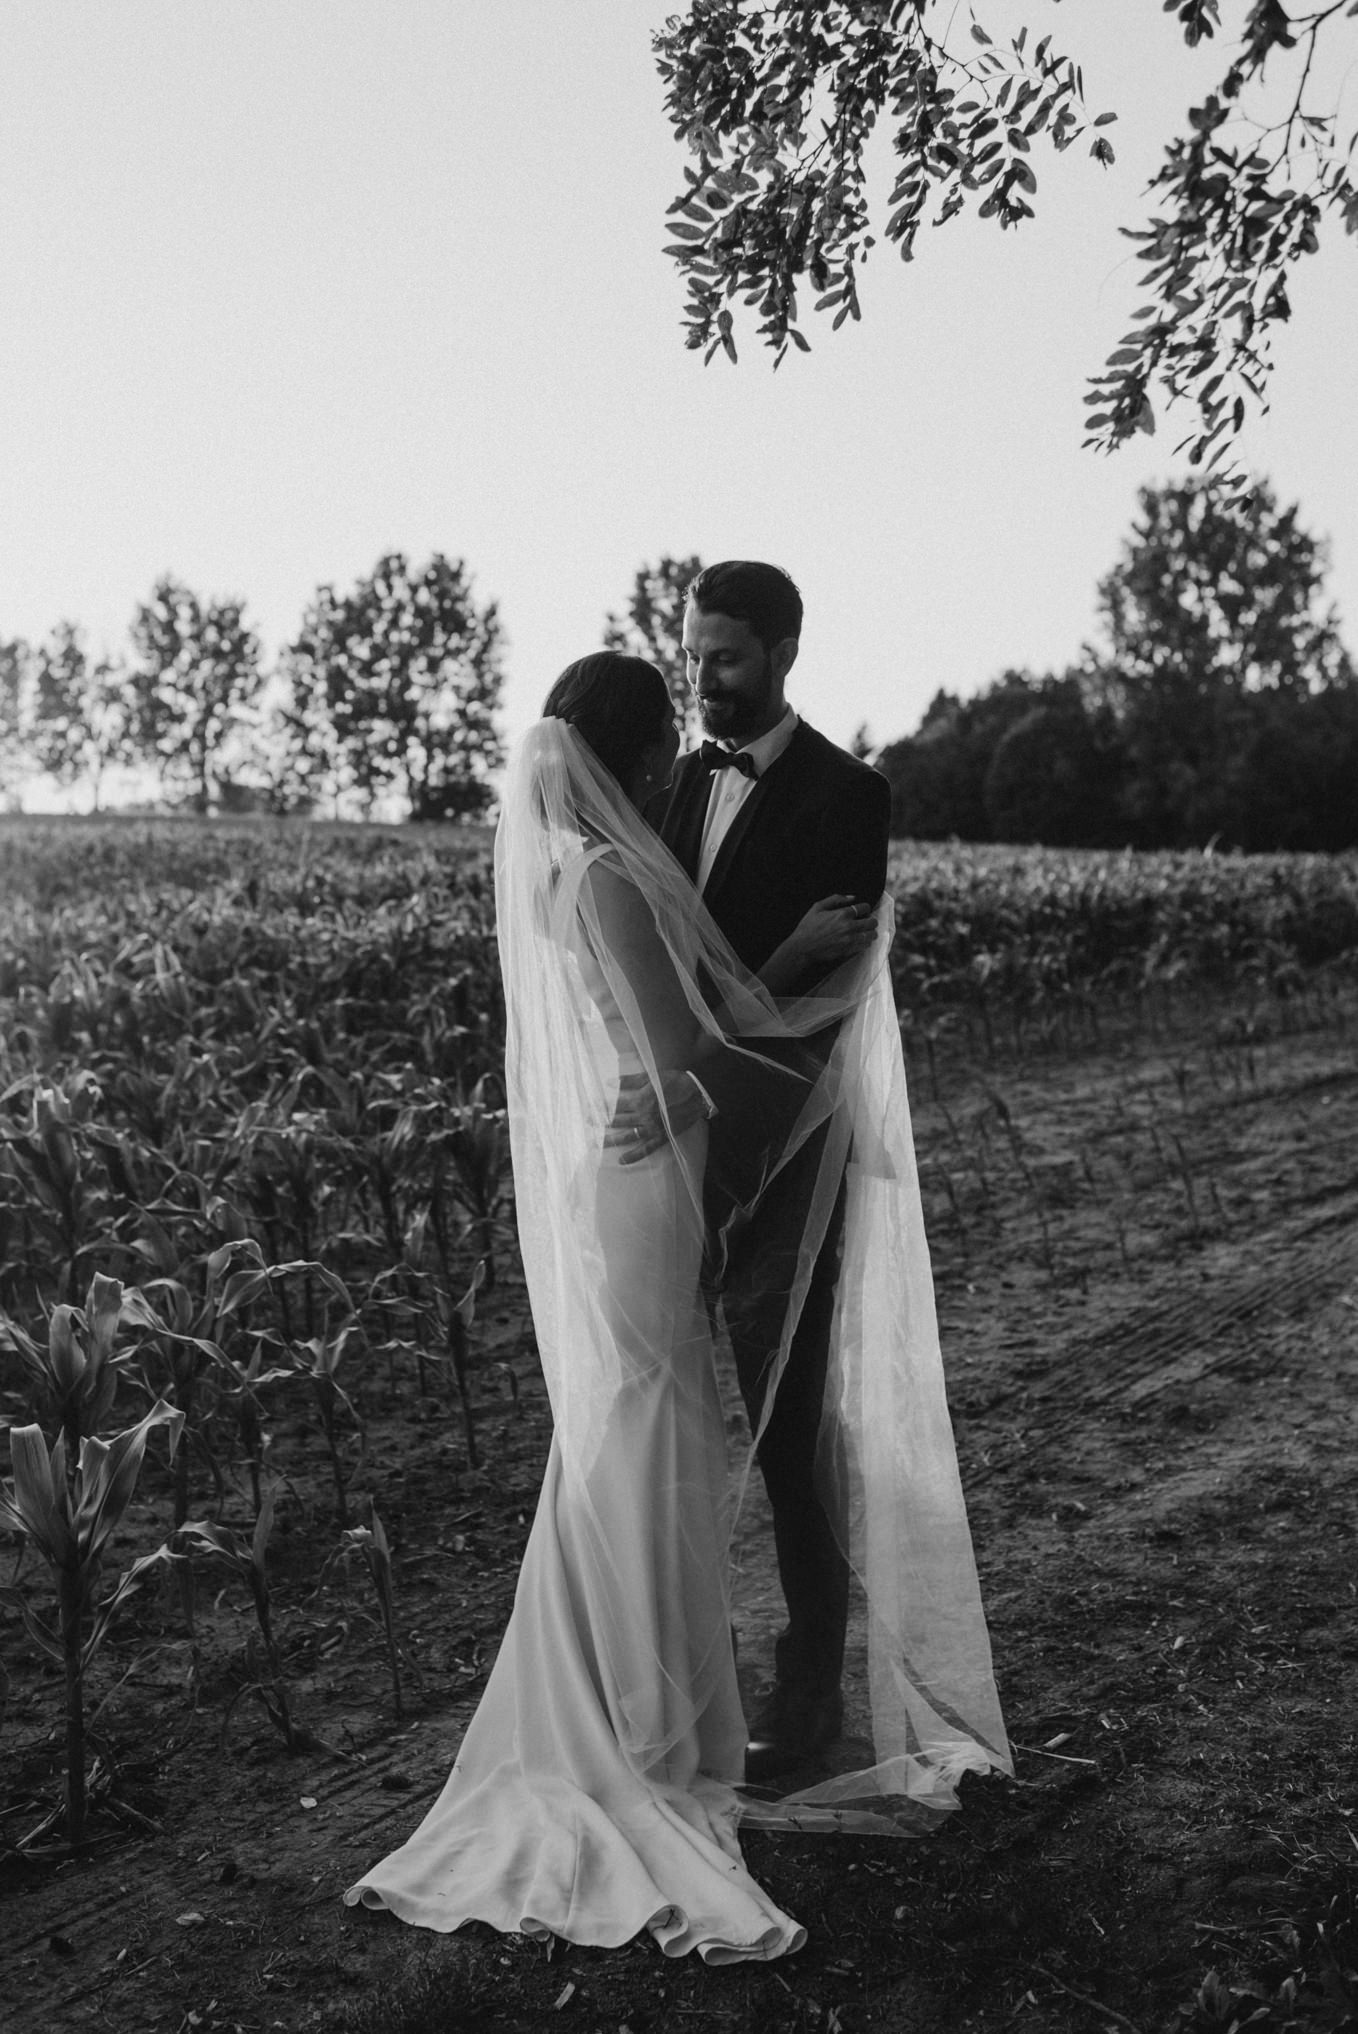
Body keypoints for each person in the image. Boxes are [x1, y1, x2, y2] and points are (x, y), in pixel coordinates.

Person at [345, 650, 1008, 1962]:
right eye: (658, 746)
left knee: (645, 1426)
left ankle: (652, 1716)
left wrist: (736, 1013)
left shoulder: (577, 871)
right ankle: (639, 1733)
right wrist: (808, 957)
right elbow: (688, 1044)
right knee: (650, 1424)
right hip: (648, 1183)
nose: (669, 765)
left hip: (647, 1170)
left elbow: (679, 1037)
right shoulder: (605, 876)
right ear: (632, 759)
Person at [644, 560, 888, 1782]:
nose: (702, 680)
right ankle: (686, 1687)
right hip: (676, 1149)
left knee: (789, 1430)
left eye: (724, 658)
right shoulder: (675, 783)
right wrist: (769, 958)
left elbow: (828, 1000)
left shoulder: (850, 795)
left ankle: (805, 1701)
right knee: (669, 1424)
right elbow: (662, 971)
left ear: (785, 651)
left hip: (786, 1151)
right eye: (692, 655)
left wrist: (722, 1040)